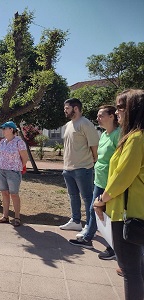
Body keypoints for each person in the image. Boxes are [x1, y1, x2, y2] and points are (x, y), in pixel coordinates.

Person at [94, 89, 144, 300]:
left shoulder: (135, 139)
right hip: (132, 209)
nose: (116, 112)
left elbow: (122, 177)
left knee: (129, 269)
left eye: (120, 108)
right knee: (137, 267)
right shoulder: (136, 136)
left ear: (133, 109)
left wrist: (101, 200)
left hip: (127, 213)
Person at [68, 105, 120, 260]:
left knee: (110, 215)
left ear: (112, 116)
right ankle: (88, 239)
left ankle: (113, 247)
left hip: (111, 183)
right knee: (93, 210)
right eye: (97, 115)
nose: (98, 118)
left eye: (101, 115)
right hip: (99, 180)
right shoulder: (104, 135)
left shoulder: (119, 134)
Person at [60, 98, 99, 231]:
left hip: (83, 168)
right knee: (73, 196)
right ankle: (76, 221)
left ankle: (89, 224)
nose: (65, 110)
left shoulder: (85, 123)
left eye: (67, 108)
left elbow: (94, 146)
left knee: (87, 197)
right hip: (68, 168)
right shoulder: (68, 125)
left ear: (76, 108)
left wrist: (94, 161)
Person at [0, 121, 28, 227]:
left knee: (14, 194)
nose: (3, 130)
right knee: (4, 193)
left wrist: (17, 167)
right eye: (3, 128)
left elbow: (25, 158)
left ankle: (17, 217)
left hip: (13, 171)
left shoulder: (19, 142)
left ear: (11, 129)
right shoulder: (2, 142)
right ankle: (5, 216)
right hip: (1, 170)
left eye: (5, 128)